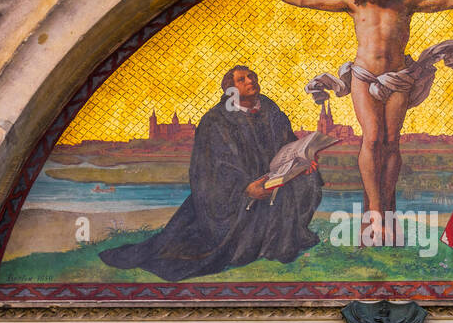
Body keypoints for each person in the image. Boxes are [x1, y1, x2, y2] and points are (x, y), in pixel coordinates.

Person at [255, 0, 453, 227]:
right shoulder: (353, 5)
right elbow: (304, 0)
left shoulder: (406, 3)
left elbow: (450, 1)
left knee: (391, 140)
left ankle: (386, 203)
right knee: (372, 138)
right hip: (363, 76)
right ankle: (374, 207)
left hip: (398, 77)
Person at [99, 65, 321, 280]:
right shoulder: (216, 120)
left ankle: (283, 239)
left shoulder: (270, 109)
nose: (250, 81)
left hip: (272, 177)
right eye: (242, 79)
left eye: (251, 76)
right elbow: (213, 167)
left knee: (309, 179)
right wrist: (246, 187)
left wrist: (303, 160)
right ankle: (253, 245)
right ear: (230, 90)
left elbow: (287, 142)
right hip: (233, 192)